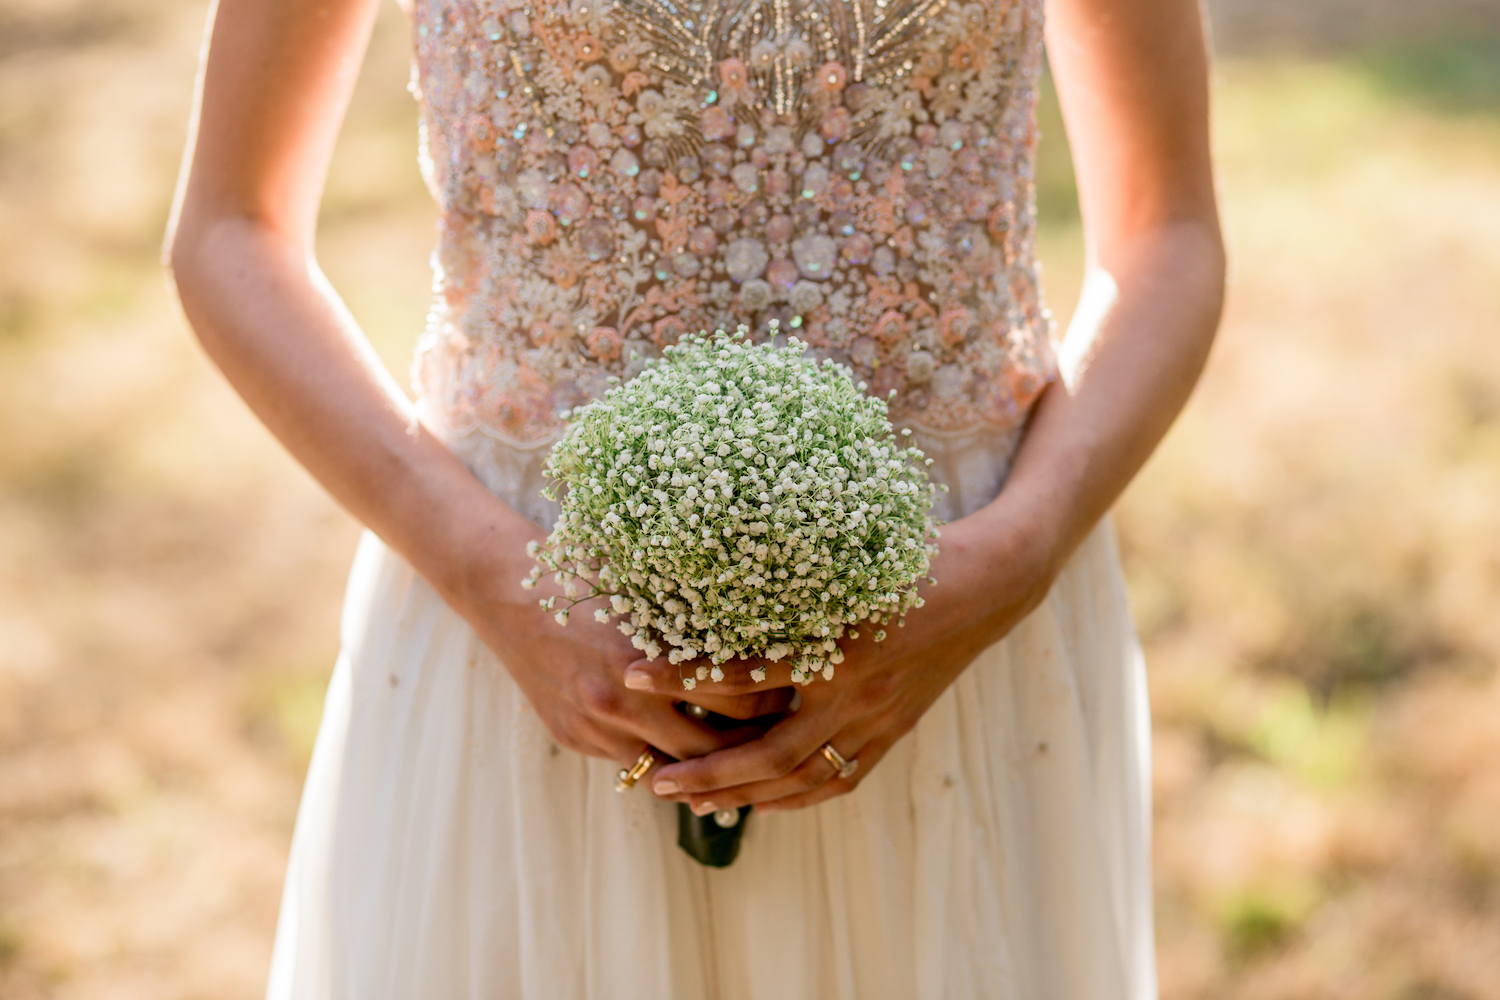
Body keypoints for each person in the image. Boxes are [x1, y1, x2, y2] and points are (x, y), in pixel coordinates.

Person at [166, 0, 1223, 993]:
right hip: (527, 619)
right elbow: (232, 227)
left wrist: (1015, 554)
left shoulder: (989, 581)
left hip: (956, 621)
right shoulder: (508, 597)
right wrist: (495, 579)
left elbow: (1164, 229)